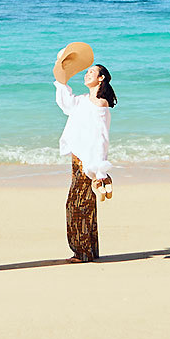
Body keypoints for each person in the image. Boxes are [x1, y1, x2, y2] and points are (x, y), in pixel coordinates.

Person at [54, 58, 116, 263]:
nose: (87, 74)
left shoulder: (100, 104)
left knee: (76, 205)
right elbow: (65, 103)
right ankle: (88, 251)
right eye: (87, 72)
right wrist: (61, 77)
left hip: (88, 162)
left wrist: (100, 170)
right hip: (77, 158)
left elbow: (101, 138)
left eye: (92, 72)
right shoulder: (81, 100)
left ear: (101, 78)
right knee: (85, 204)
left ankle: (82, 252)